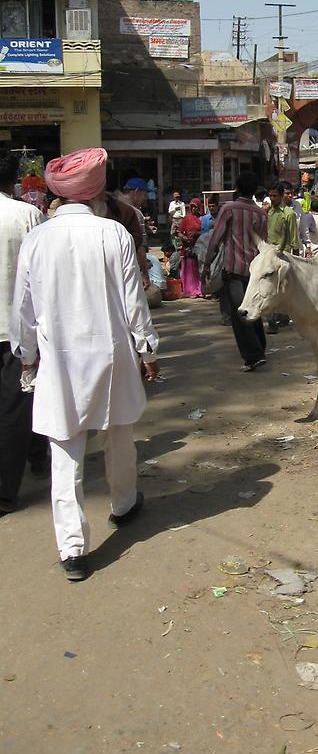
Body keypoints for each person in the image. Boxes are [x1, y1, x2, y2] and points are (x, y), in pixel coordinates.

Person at [11, 148, 159, 581]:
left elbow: (23, 310)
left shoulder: (37, 239)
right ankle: (124, 504)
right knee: (119, 437)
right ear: (97, 194)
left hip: (58, 361)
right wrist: (148, 351)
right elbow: (135, 304)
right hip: (111, 357)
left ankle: (72, 548)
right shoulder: (113, 234)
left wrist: (26, 356)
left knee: (64, 452)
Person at [0, 152, 43, 516]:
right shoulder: (27, 215)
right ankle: (6, 488)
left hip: (14, 327)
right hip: (16, 328)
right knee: (16, 406)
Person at [204, 172, 268, 371]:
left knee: (239, 313)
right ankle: (259, 348)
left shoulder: (229, 209)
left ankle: (253, 355)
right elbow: (263, 245)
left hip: (232, 269)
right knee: (252, 309)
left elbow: (215, 239)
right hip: (254, 270)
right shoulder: (260, 214)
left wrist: (206, 264)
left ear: (237, 188)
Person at [266, 183, 299, 332]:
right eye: (270, 196)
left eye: (275, 196)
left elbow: (294, 240)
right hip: (269, 255)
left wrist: (296, 261)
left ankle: (283, 317)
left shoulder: (289, 214)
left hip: (284, 256)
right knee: (270, 287)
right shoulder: (268, 213)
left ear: (281, 196)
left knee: (283, 288)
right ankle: (272, 321)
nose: (272, 198)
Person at [177, 199, 203, 298]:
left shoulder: (202, 219)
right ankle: (189, 290)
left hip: (199, 246)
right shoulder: (186, 219)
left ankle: (198, 289)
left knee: (198, 269)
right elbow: (179, 231)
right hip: (187, 247)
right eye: (192, 207)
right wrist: (183, 237)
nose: (193, 209)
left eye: (195, 206)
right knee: (188, 270)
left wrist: (196, 234)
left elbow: (205, 232)